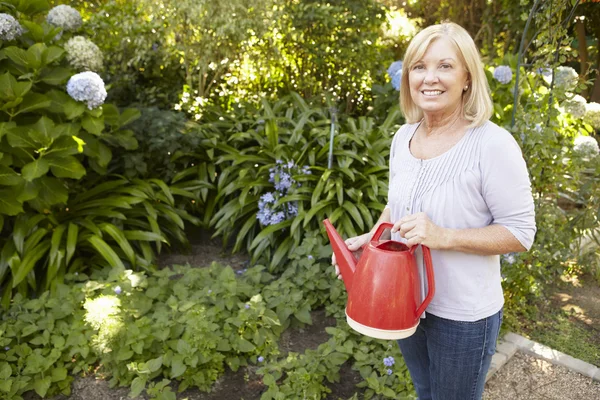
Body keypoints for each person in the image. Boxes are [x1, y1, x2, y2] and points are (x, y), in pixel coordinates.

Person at [332, 22, 536, 400]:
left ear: (467, 79)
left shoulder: (492, 145)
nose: (430, 78)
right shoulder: (404, 136)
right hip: (406, 303)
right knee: (426, 392)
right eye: (419, 66)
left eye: (445, 66)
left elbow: (520, 232)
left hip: (463, 316)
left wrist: (445, 236)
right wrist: (371, 239)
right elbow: (397, 206)